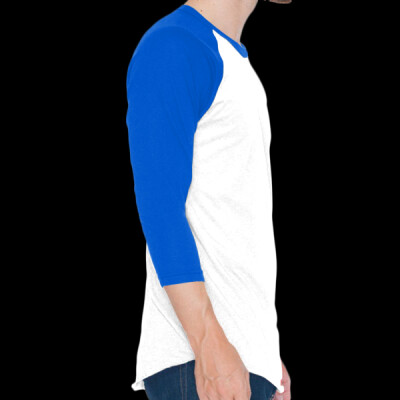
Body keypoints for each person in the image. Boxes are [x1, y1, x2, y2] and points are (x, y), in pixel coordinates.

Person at [126, 1, 292, 399]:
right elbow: (160, 208)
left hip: (237, 362)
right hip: (199, 364)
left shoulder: (234, 62)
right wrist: (207, 341)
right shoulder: (175, 45)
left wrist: (263, 352)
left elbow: (233, 217)